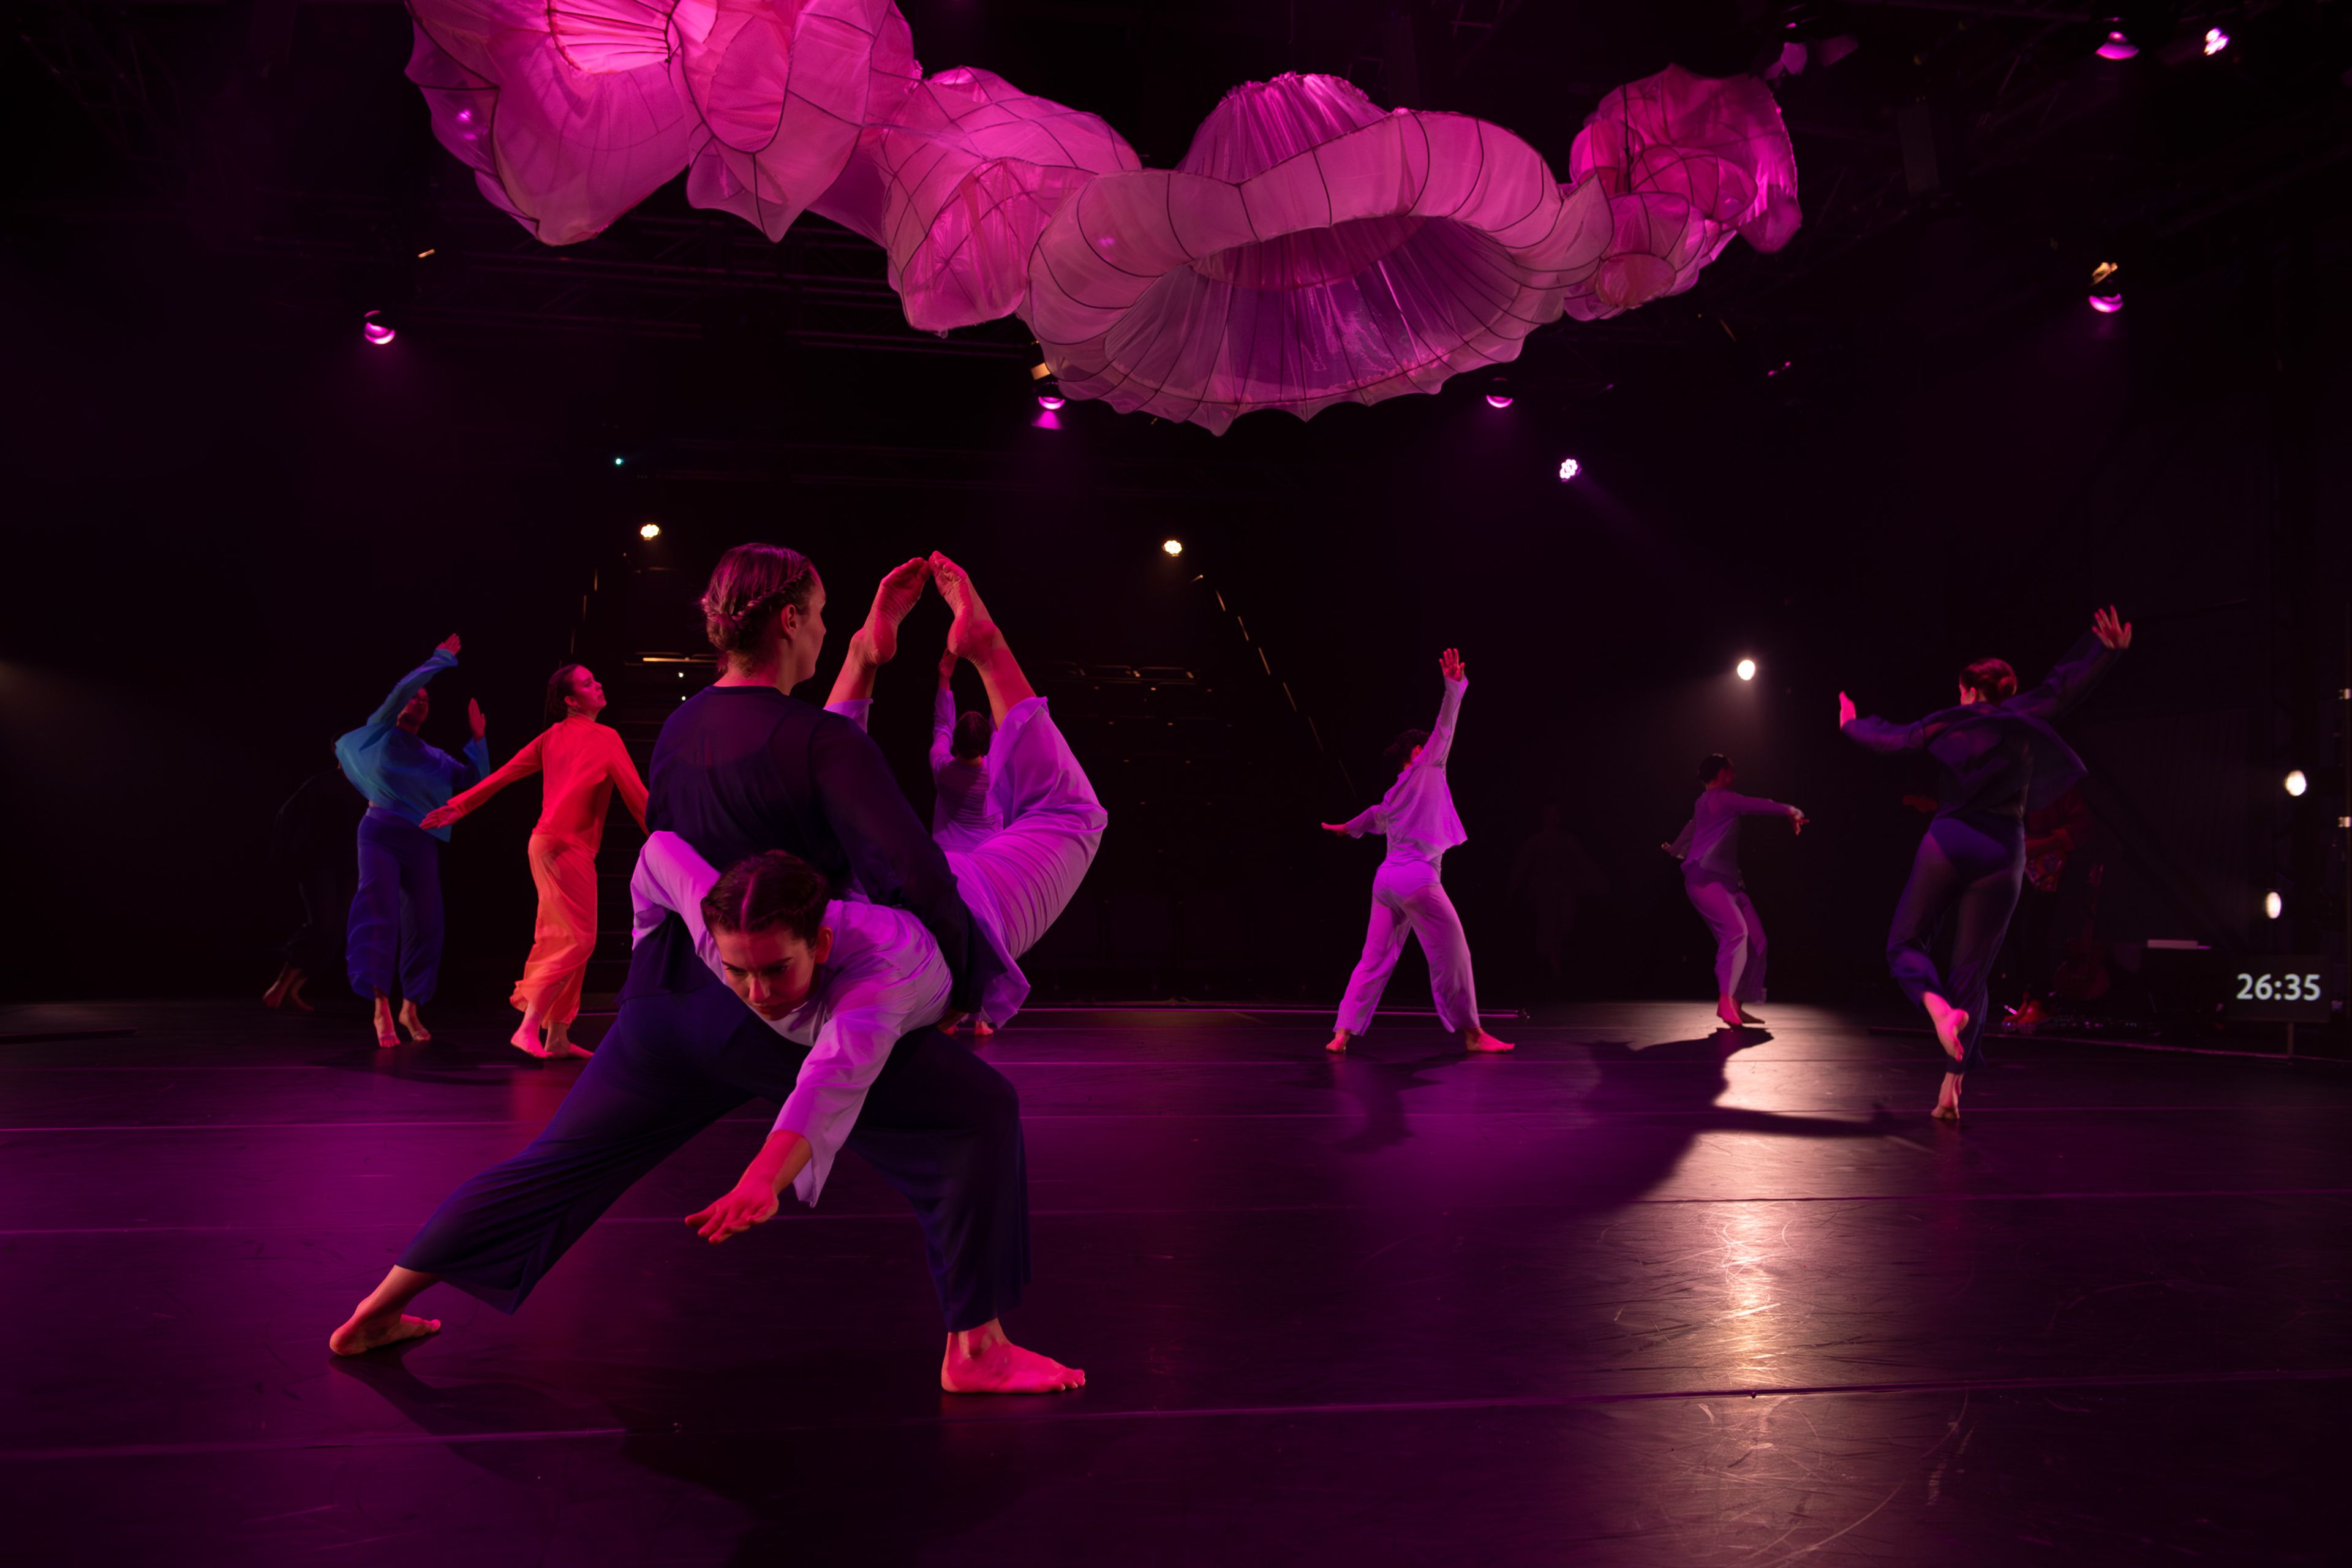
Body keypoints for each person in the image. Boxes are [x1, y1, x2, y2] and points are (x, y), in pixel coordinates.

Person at [330, 546, 1084, 1394]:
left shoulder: (684, 727)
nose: (826, 629)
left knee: (558, 1164)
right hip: (779, 1004)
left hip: (663, 1008)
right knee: (978, 1112)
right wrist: (972, 982)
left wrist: (866, 659)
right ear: (792, 620)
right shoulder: (822, 742)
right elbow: (913, 870)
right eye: (824, 615)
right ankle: (977, 1350)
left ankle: (375, 1310)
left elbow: (667, 853)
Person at [1841, 605, 2132, 1121]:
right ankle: (1952, 1088)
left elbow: (1892, 739)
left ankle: (1935, 1009)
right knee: (1972, 971)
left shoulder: (1946, 722)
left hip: (1951, 839)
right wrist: (2104, 651)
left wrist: (1853, 724)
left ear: (1968, 690)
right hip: (2005, 851)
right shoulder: (2026, 715)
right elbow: (2064, 687)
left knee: (1905, 944)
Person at [420, 665, 649, 1058]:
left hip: (548, 843)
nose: (599, 684)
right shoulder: (605, 737)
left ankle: (557, 1035)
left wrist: (460, 806)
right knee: (578, 939)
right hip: (565, 846)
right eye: (589, 683)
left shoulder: (554, 736)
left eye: (597, 678)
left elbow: (502, 777)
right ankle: (529, 1025)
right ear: (571, 700)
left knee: (563, 936)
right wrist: (668, 839)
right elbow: (637, 797)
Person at [1321, 649, 1512, 1055]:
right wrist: (1453, 687)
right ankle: (1473, 1034)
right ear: (1417, 753)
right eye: (1426, 750)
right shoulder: (1427, 770)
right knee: (1454, 951)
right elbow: (1445, 729)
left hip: (1386, 881)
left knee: (1373, 960)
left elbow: (1373, 818)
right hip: (1417, 879)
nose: (1436, 754)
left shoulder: (1394, 794)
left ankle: (1343, 1033)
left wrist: (1344, 828)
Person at [335, 636, 488, 1049]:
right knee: (378, 908)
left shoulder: (435, 757)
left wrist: (478, 741)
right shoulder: (380, 732)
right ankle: (381, 1004)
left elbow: (474, 785)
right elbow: (402, 690)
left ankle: (411, 1006)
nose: (419, 701)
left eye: (426, 700)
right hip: (380, 831)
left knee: (427, 921)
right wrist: (440, 660)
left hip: (420, 840)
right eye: (414, 697)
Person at [1662, 755, 1806, 1030]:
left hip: (1728, 883)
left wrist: (1674, 848)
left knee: (1758, 941)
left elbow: (1692, 828)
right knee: (1737, 933)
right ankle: (1726, 999)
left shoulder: (1705, 804)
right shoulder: (1720, 798)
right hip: (1705, 881)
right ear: (1722, 773)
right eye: (1731, 768)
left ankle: (1737, 1003)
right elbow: (1755, 805)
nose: (1735, 773)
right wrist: (1790, 810)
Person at [263, 755, 366, 1013]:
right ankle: (280, 985)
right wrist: (293, 855)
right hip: (319, 867)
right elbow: (287, 817)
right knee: (323, 923)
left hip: (351, 867)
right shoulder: (322, 784)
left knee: (338, 930)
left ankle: (293, 988)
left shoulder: (367, 785)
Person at [930, 649, 1001, 853]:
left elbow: (942, 725)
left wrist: (944, 677)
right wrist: (992, 676)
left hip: (947, 854)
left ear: (955, 740)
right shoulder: (996, 771)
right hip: (986, 854)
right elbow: (1000, 727)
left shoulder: (941, 767)